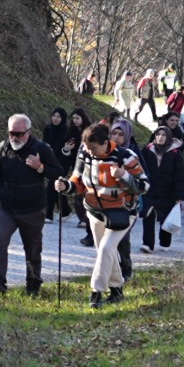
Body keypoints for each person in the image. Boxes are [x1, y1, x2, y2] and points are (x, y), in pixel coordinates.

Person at [61, 121, 144, 308]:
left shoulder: (126, 156)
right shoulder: (84, 154)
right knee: (105, 253)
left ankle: (96, 292)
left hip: (122, 212)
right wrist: (66, 186)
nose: (89, 152)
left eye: (94, 148)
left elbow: (144, 186)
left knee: (106, 249)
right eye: (87, 148)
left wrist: (124, 176)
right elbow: (77, 181)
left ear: (106, 143)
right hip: (94, 212)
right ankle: (116, 291)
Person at [0, 113, 60, 295]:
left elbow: (58, 172)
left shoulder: (41, 148)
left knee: (33, 250)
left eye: (19, 134)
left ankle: (33, 286)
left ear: (29, 132)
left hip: (33, 209)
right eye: (12, 133)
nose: (15, 137)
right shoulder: (3, 147)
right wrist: (1, 191)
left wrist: (41, 167)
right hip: (8, 208)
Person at [136, 124, 183, 251]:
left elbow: (179, 175)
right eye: (158, 134)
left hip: (168, 192)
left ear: (168, 137)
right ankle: (148, 244)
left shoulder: (175, 153)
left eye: (163, 135)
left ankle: (165, 242)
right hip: (150, 190)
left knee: (165, 218)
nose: (160, 137)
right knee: (148, 215)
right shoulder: (147, 150)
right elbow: (140, 169)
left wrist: (179, 195)